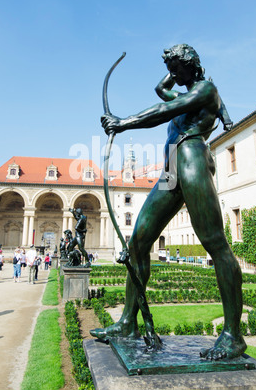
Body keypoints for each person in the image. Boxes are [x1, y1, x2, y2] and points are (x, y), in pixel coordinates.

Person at [92, 44, 246, 361]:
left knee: (215, 243)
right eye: (171, 68)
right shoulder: (181, 92)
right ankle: (127, 324)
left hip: (191, 159)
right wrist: (173, 68)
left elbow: (161, 110)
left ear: (192, 66)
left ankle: (233, 335)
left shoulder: (205, 91)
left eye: (178, 68)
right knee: (138, 241)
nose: (172, 75)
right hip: (172, 168)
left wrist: (123, 123)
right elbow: (161, 89)